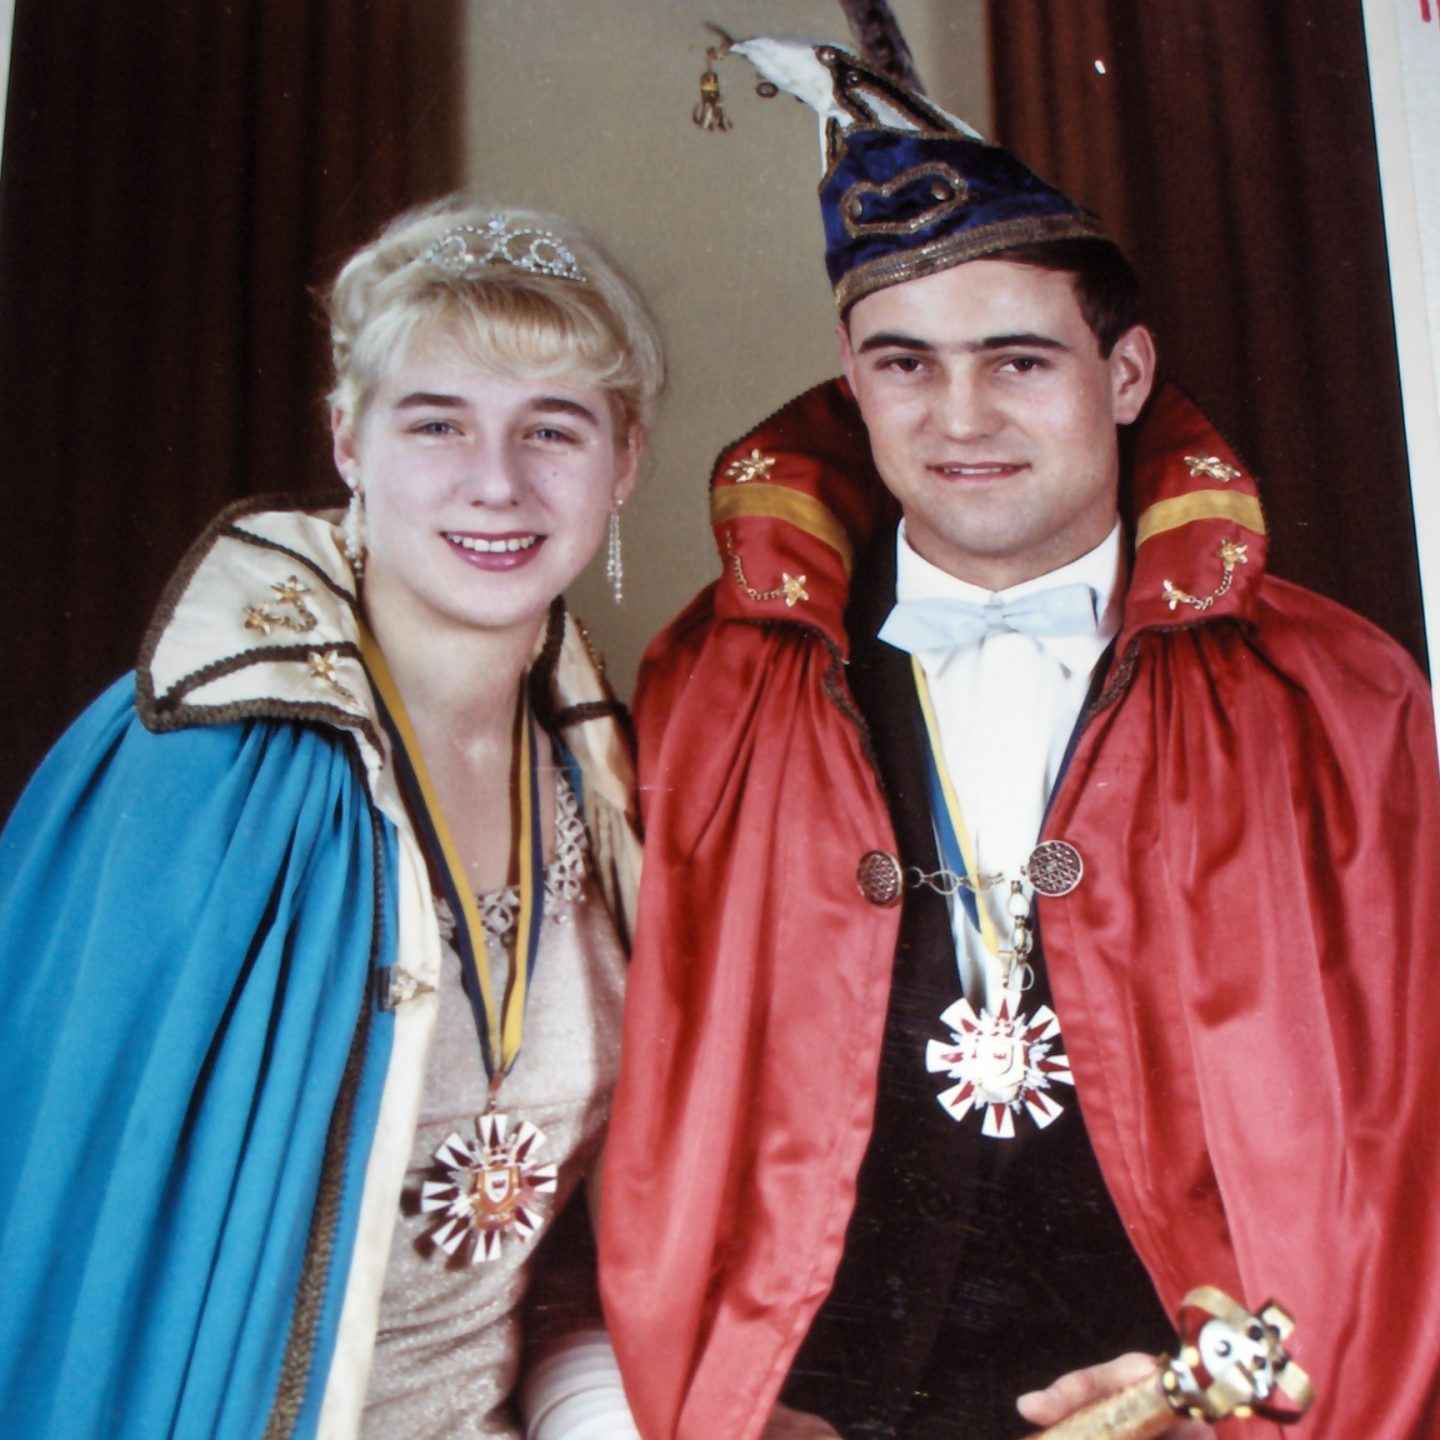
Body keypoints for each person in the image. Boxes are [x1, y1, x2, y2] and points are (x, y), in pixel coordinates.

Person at [599, 39, 1440, 1440]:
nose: (962, 418)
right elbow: (656, 1126)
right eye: (907, 364)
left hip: (1190, 1395)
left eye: (1019, 360)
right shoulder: (716, 682)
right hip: (822, 1402)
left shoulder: (1340, 697)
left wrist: (1243, 1410)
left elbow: (1407, 1151)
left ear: (1127, 373)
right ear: (851, 381)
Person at [0, 196, 661, 1439]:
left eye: (552, 429)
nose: (497, 481)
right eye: (437, 422)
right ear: (349, 438)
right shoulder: (200, 766)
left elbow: (579, 1237)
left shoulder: (611, 778)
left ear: (623, 462)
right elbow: (80, 1249)